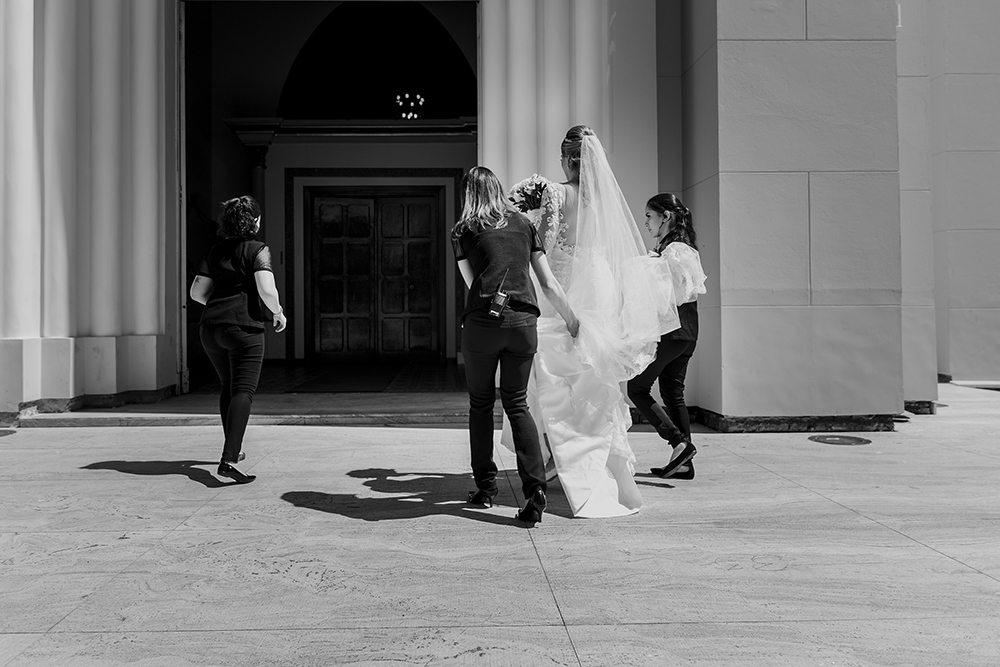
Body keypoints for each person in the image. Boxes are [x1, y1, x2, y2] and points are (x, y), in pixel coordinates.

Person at [504, 125, 681, 517]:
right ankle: (596, 466)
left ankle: (560, 461)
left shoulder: (555, 192)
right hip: (598, 292)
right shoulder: (603, 203)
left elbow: (545, 248)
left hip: (565, 292)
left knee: (550, 378)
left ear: (567, 159)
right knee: (595, 383)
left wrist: (526, 224)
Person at [452, 166, 579, 524]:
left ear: (469, 195)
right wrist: (572, 320)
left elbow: (472, 283)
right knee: (517, 403)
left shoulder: (463, 231)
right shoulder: (524, 224)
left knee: (480, 405)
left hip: (483, 324)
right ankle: (534, 488)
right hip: (524, 323)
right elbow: (549, 282)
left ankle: (486, 489)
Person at [190, 196, 287, 484]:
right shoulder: (258, 250)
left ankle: (233, 449)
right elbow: (266, 290)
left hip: (210, 328)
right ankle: (229, 459)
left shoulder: (215, 250)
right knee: (243, 390)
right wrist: (279, 313)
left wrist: (219, 305)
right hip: (244, 329)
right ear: (254, 221)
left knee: (228, 387)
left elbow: (196, 293)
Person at [627, 193, 706, 480]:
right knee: (673, 395)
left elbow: (681, 293)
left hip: (674, 334)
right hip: (685, 335)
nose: (646, 222)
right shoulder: (674, 248)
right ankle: (684, 463)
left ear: (666, 217)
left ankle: (679, 444)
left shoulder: (676, 250)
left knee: (636, 388)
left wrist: (649, 271)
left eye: (649, 216)